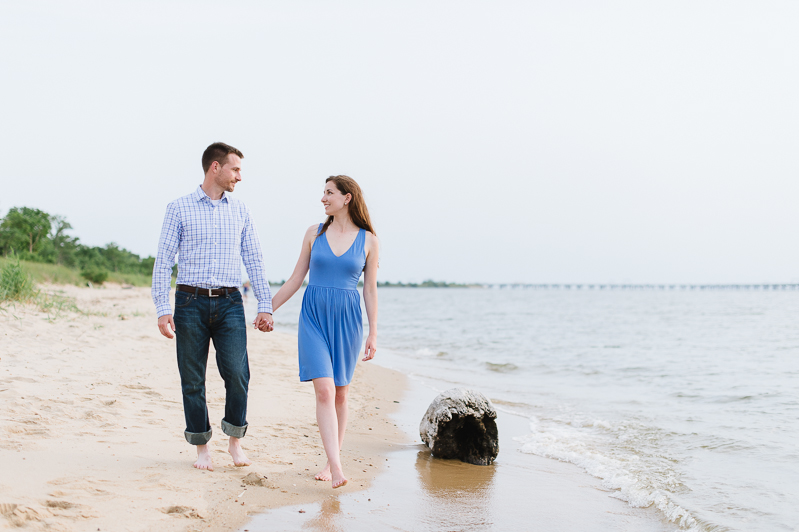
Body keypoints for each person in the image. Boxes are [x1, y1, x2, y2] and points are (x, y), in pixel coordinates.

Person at [151, 142, 274, 471]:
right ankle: (202, 446)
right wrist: (163, 309)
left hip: (231, 302)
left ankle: (235, 440)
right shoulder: (178, 208)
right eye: (235, 169)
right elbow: (163, 262)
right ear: (214, 168)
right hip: (189, 302)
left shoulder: (241, 210)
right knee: (192, 380)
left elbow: (254, 260)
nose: (239, 176)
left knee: (237, 373)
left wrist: (266, 304)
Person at [267, 175, 379, 488]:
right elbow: (294, 279)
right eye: (323, 193)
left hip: (348, 320)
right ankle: (338, 467)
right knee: (325, 390)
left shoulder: (368, 240)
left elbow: (369, 290)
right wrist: (267, 309)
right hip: (314, 316)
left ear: (347, 198)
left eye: (329, 193)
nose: (323, 199)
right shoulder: (313, 234)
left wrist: (373, 333)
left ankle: (331, 462)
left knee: (341, 393)